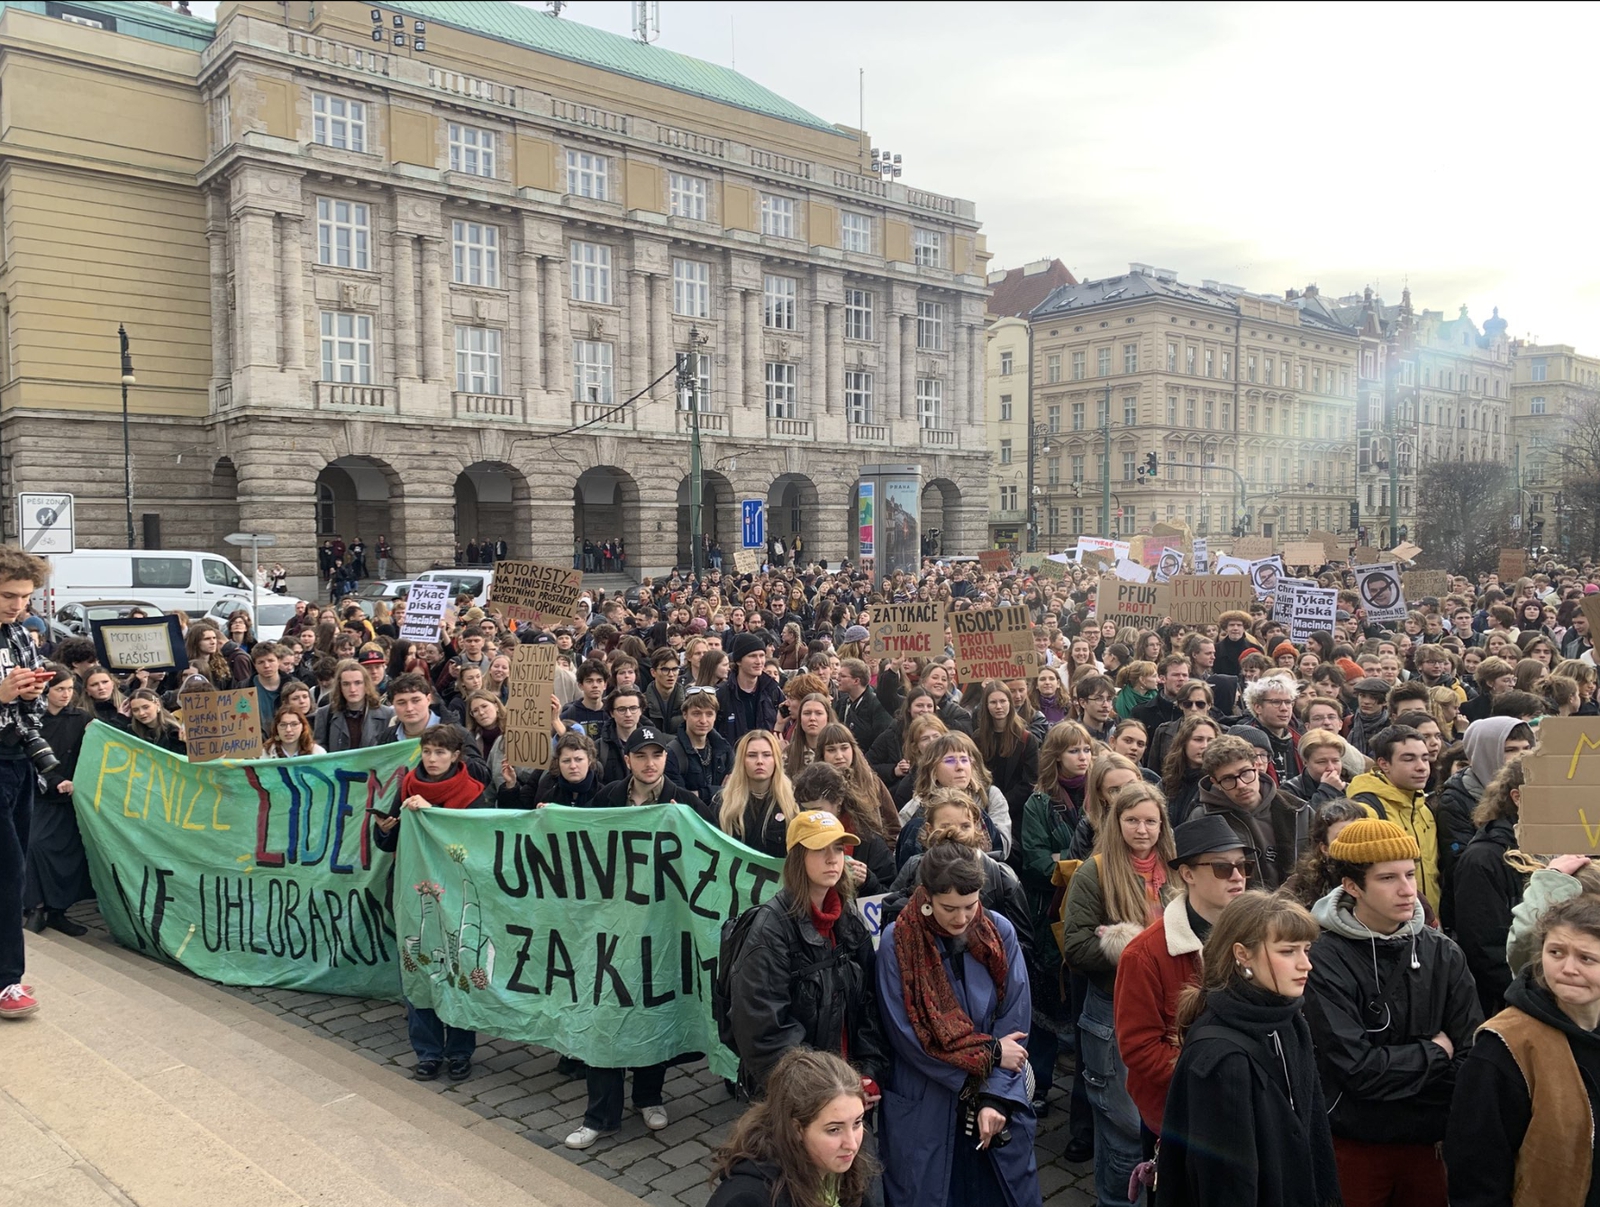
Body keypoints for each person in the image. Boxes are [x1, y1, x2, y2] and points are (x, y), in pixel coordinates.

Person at [1303, 817, 1482, 1207]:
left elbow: (1470, 1056)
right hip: (1356, 1143)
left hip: (1429, 1142)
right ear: (1352, 886)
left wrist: (1403, 1073)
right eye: (1387, 878)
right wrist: (1436, 1052)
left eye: (1410, 874)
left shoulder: (1443, 952)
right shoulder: (1322, 958)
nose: (1407, 890)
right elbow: (1356, 1069)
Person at [876, 841, 1040, 1207]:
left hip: (994, 1093)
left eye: (971, 905)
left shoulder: (999, 931)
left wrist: (995, 1096)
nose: (962, 918)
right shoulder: (896, 942)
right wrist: (989, 1057)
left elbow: (1015, 1019)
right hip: (926, 1098)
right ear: (927, 897)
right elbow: (907, 1035)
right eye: (949, 908)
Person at [1155, 891, 1339, 1207]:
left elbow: (1312, 1130)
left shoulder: (1290, 1020)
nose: (1306, 964)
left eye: (1306, 949)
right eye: (1287, 951)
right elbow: (1226, 1186)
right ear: (1242, 954)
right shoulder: (1222, 1059)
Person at [567, 725, 705, 1147]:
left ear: (666, 759)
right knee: (604, 1013)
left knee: (653, 1009)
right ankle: (600, 1115)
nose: (649, 763)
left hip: (661, 927)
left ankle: (649, 1095)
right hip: (609, 926)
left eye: (656, 755)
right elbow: (580, 844)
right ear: (627, 760)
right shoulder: (609, 797)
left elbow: (712, 851)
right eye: (640, 755)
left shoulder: (686, 802)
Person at [1444, 895, 1600, 1207]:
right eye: (1556, 952)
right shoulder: (1504, 1046)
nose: (1568, 968)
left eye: (1586, 958)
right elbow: (1476, 1173)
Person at [1060, 780, 1174, 1207]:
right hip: (1112, 1007)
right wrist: (1132, 947)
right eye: (1132, 820)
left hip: (1167, 1008)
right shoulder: (1095, 872)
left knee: (1158, 1116)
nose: (1142, 830)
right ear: (1116, 822)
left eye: (1150, 821)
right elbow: (1075, 947)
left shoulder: (1176, 869)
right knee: (1122, 1124)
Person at [727, 808, 889, 1097]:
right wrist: (821, 1089)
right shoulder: (770, 929)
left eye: (837, 848)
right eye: (819, 849)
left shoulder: (850, 919)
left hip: (847, 1086)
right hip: (800, 1095)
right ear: (797, 858)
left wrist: (869, 1070)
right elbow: (763, 1029)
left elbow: (870, 1001)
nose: (833, 858)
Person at [1114, 814, 1250, 1144]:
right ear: (1188, 874)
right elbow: (1139, 1049)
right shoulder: (1144, 954)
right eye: (1222, 867)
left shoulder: (1258, 936)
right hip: (1179, 1116)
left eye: (1243, 866)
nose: (1237, 876)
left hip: (1245, 1107)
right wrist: (1217, 1074)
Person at [371, 725, 486, 1081]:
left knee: (458, 969)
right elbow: (388, 841)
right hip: (413, 894)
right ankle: (428, 1051)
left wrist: (433, 812)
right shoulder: (407, 786)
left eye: (440, 752)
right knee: (418, 967)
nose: (432, 759)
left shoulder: (473, 793)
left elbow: (479, 844)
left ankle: (460, 1050)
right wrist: (386, 829)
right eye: (427, 751)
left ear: (455, 756)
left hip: (457, 896)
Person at [705, 1048, 878, 1207]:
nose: (852, 1144)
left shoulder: (840, 1164)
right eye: (834, 1130)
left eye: (857, 1122)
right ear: (796, 1129)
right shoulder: (747, 1199)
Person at [0, 547, 50, 1017]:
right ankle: (7, 982)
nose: (18, 606)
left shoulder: (20, 634)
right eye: (8, 596)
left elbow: (32, 708)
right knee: (10, 872)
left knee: (13, 873)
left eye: (25, 597)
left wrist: (33, 693)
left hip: (20, 762)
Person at [1453, 754, 1531, 1017]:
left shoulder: (1561, 849)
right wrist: (1534, 998)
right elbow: (1485, 950)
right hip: (1515, 1003)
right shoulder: (1483, 859)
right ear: (1517, 797)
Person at [22, 665, 92, 940]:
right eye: (60, 689)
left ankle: (58, 910)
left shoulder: (80, 718)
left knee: (68, 852)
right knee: (34, 845)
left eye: (70, 689)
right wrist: (53, 780)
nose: (66, 694)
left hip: (71, 795)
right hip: (39, 794)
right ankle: (36, 907)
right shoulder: (32, 719)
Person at [1193, 734, 1308, 891]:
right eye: (1228, 779)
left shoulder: (1297, 809)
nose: (1241, 785)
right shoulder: (1204, 819)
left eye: (1245, 772)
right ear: (1215, 782)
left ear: (1256, 766)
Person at [1347, 724, 1442, 912]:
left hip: (1426, 920)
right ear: (1384, 764)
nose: (1421, 767)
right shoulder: (1367, 811)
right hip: (1387, 920)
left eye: (1425, 758)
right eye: (1409, 759)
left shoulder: (1423, 808)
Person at [712, 730, 798, 859]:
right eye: (752, 755)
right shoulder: (723, 803)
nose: (759, 761)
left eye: (767, 755)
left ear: (776, 760)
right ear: (742, 761)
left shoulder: (792, 802)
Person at [973, 678, 1040, 816]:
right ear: (986, 705)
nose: (999, 706)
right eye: (993, 702)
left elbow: (1030, 781)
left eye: (1003, 701)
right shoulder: (978, 738)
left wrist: (1003, 802)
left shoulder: (1027, 739)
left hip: (1019, 811)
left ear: (1010, 703)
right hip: (986, 808)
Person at [665, 685, 734, 802]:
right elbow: (679, 798)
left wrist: (697, 794)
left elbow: (735, 790)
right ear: (685, 714)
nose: (703, 720)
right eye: (696, 713)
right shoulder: (673, 753)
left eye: (709, 714)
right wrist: (718, 791)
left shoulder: (724, 749)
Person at [717, 632, 785, 744]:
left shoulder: (773, 691)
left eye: (762, 655)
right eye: (752, 656)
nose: (759, 661)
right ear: (739, 661)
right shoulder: (722, 694)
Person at [312, 660, 393, 752]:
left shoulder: (387, 714)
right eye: (346, 684)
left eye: (358, 683)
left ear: (366, 684)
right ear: (340, 687)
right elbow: (320, 753)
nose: (352, 689)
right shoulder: (325, 714)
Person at [126, 689, 185, 754]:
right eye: (135, 710)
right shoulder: (131, 730)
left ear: (157, 704)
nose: (141, 713)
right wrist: (121, 719)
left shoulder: (173, 732)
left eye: (146, 707)